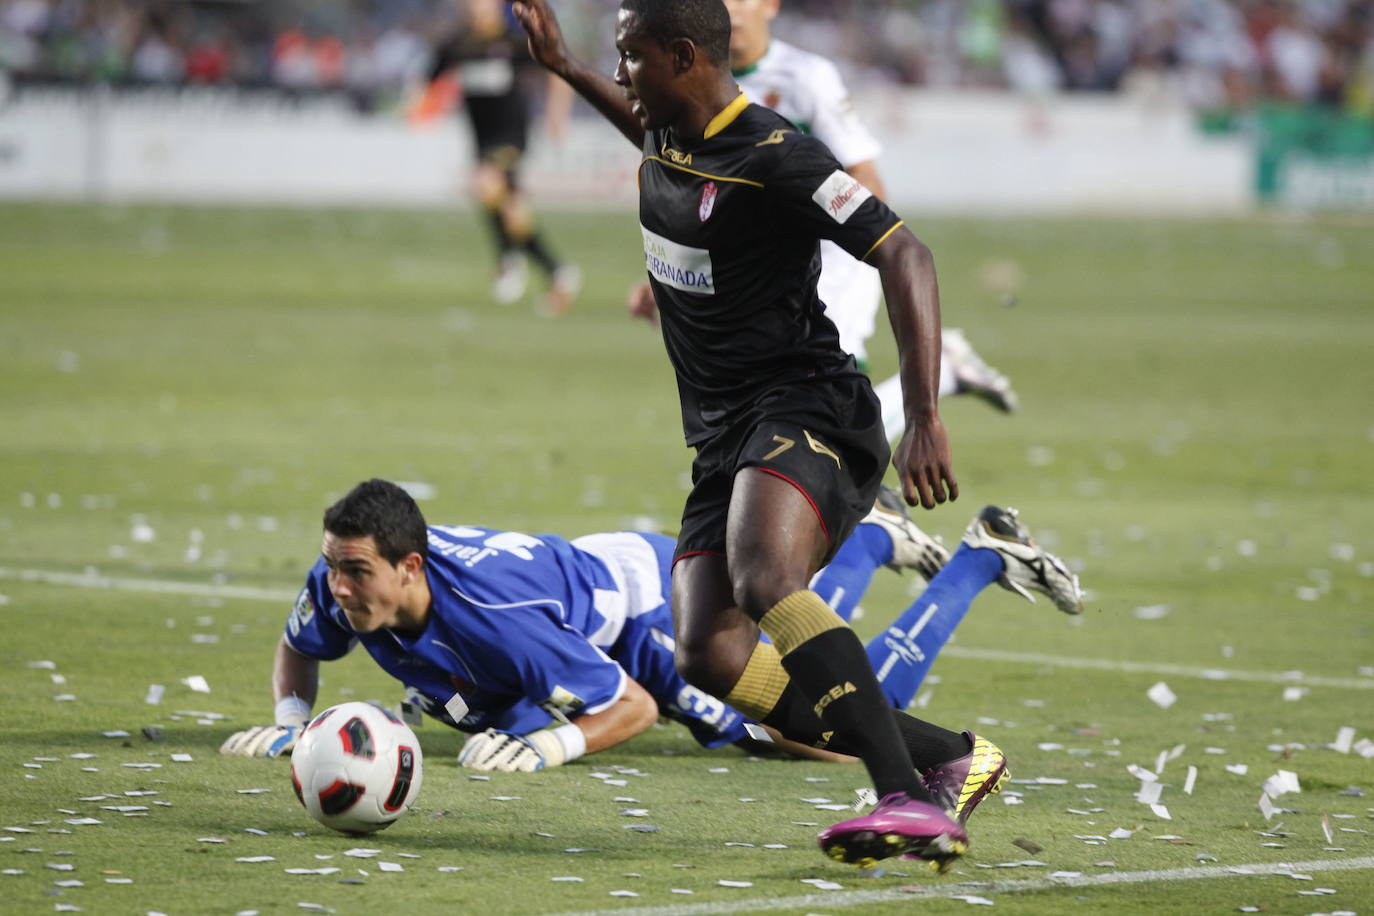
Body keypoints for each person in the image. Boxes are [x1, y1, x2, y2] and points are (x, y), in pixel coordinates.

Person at [505, 0, 1002, 869]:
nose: (621, 73)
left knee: (765, 576)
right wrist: (564, 69)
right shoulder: (671, 135)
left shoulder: (777, 154)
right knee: (707, 649)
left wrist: (924, 413)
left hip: (808, 406)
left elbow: (904, 251)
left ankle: (905, 798)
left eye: (629, 56)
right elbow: (646, 132)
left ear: (684, 55)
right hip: (723, 433)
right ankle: (945, 755)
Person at [222, 479, 1081, 805]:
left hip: (642, 611)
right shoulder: (345, 579)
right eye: (335, 571)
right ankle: (868, 538)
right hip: (579, 598)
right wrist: (296, 719)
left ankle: (973, 557)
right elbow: (301, 641)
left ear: (409, 567)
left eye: (355, 575)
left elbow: (625, 703)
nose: (337, 589)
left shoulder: (499, 620)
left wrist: (556, 743)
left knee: (827, 722)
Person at [627, 0, 1019, 430]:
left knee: (824, 406)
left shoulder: (807, 78)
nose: (733, 9)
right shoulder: (696, 84)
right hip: (762, 265)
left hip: (831, 261)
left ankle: (927, 400)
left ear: (771, 6)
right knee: (810, 418)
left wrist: (861, 240)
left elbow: (864, 174)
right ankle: (941, 381)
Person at [410, 0, 582, 314]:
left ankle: (510, 261)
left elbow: (558, 70)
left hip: (511, 136)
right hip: (481, 140)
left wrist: (557, 113)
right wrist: (419, 108)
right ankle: (555, 272)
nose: (475, 7)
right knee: (511, 210)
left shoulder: (513, 41)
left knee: (487, 186)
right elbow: (427, 83)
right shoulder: (458, 44)